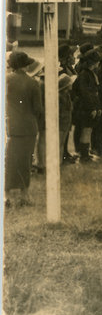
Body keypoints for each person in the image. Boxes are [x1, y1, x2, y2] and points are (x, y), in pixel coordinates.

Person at [6, 51, 43, 207]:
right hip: (28, 127)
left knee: (8, 160)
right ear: (26, 65)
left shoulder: (6, 80)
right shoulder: (33, 83)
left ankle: (5, 196)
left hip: (9, 125)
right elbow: (38, 109)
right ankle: (24, 195)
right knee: (25, 161)